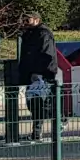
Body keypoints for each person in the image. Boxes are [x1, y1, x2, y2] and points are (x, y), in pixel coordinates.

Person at [15, 11, 59, 141]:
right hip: (32, 74)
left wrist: (39, 71)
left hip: (42, 75)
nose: (25, 22)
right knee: (35, 104)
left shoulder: (43, 34)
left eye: (28, 20)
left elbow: (46, 54)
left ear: (36, 20)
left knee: (41, 104)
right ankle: (38, 131)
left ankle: (41, 131)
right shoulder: (29, 33)